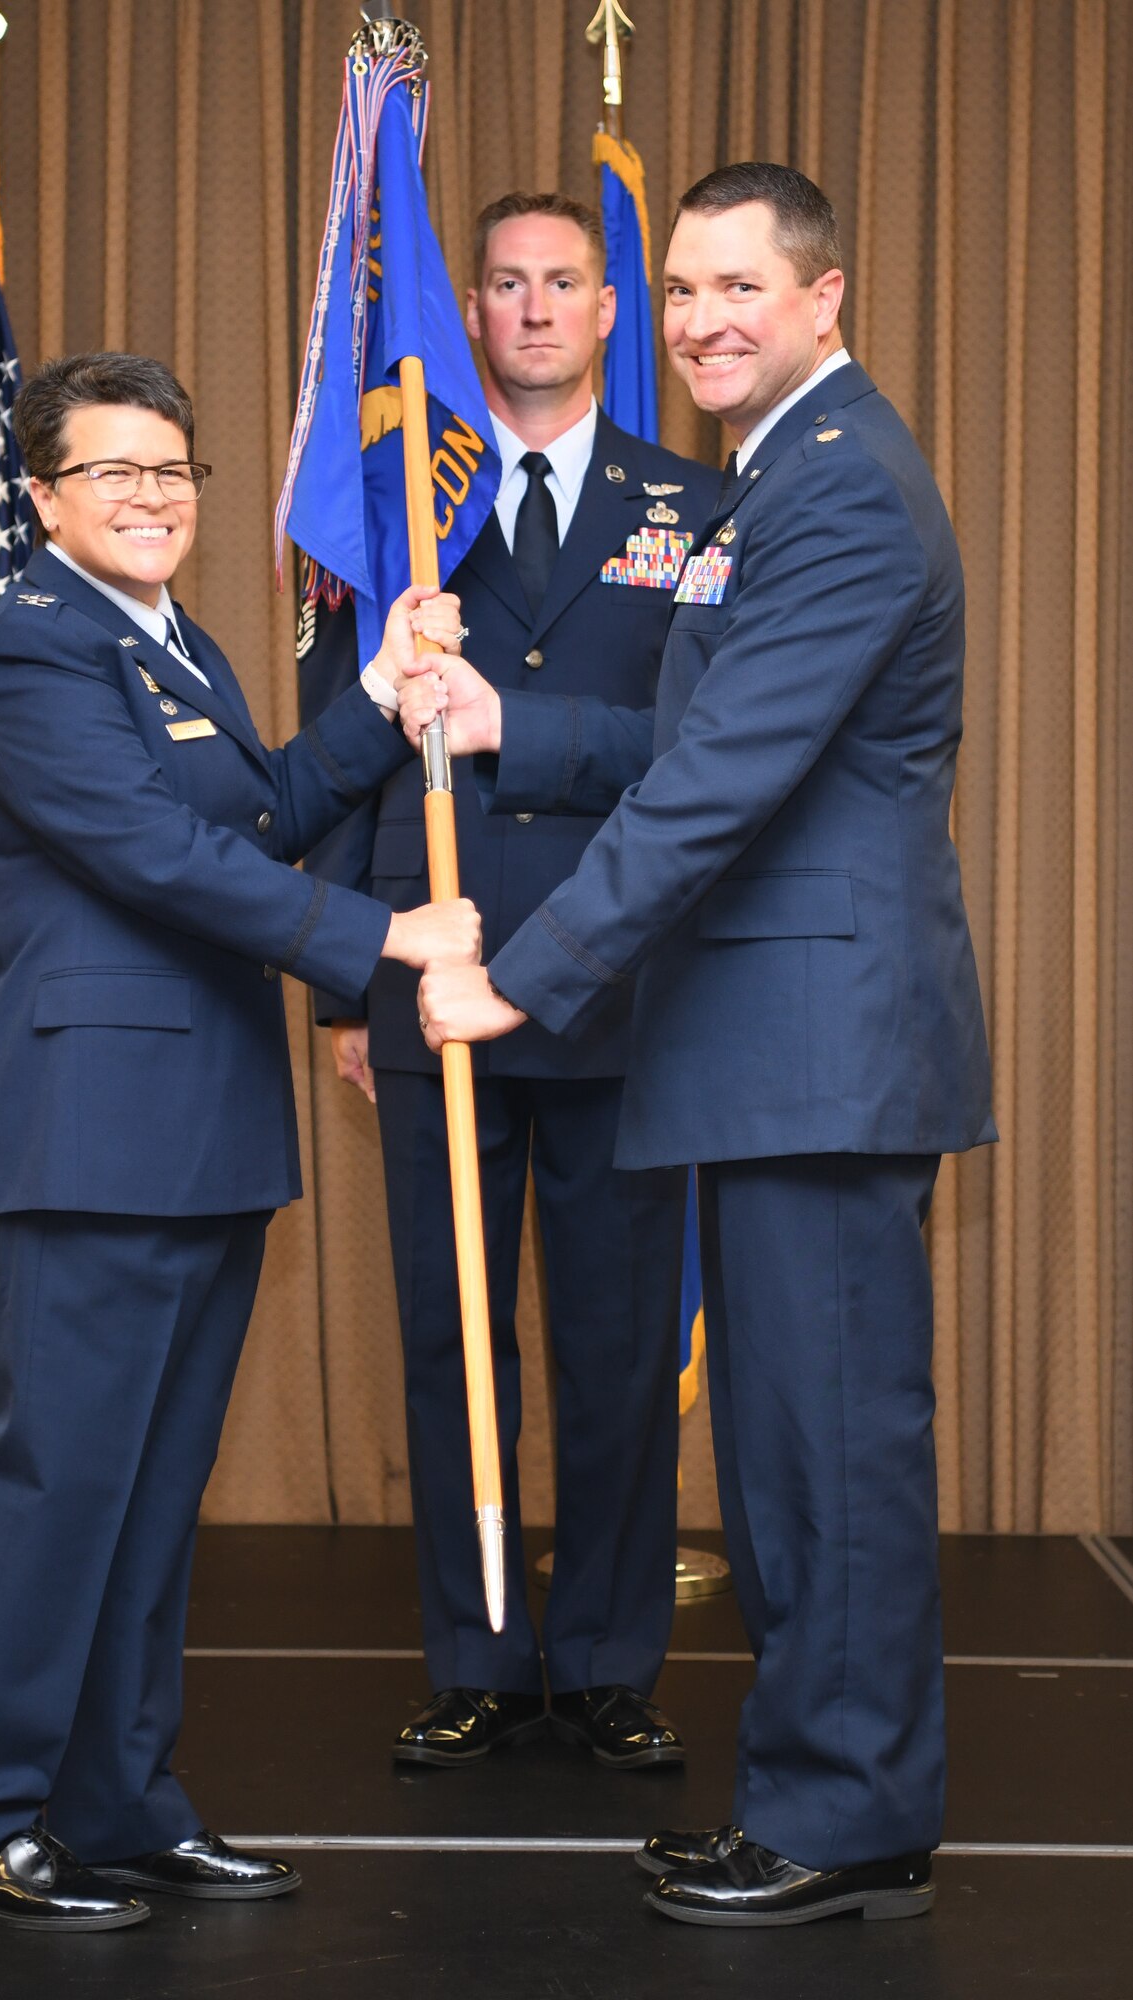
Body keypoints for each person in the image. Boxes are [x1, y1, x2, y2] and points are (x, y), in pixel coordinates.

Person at [410, 163, 994, 1925]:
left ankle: (844, 1816)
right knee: (785, 1453)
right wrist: (500, 712)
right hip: (767, 1043)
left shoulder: (843, 494)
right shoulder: (776, 479)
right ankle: (826, 1795)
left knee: (825, 1450)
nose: (698, 320)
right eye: (677, 292)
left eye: (737, 287)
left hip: (814, 1043)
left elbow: (725, 780)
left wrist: (528, 971)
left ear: (823, 300)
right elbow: (688, 729)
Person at [0, 352, 477, 1933]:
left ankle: (120, 1805)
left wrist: (373, 704)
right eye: (114, 474)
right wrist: (391, 942)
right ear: (39, 499)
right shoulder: (29, 648)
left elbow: (261, 811)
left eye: (173, 472)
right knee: (51, 1488)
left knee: (152, 1498)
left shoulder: (178, 643)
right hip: (94, 1129)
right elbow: (155, 857)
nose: (152, 499)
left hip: (203, 1126)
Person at [299, 193, 719, 1770]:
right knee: (443, 1335)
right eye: (503, 285)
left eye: (563, 284)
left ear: (611, 311)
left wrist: (511, 732)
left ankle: (607, 1660)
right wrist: (343, 977)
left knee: (616, 1345)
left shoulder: (692, 506)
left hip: (613, 974)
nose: (533, 310)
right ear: (467, 310)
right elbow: (332, 747)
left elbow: (701, 754)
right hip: (431, 966)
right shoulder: (401, 504)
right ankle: (476, 1651)